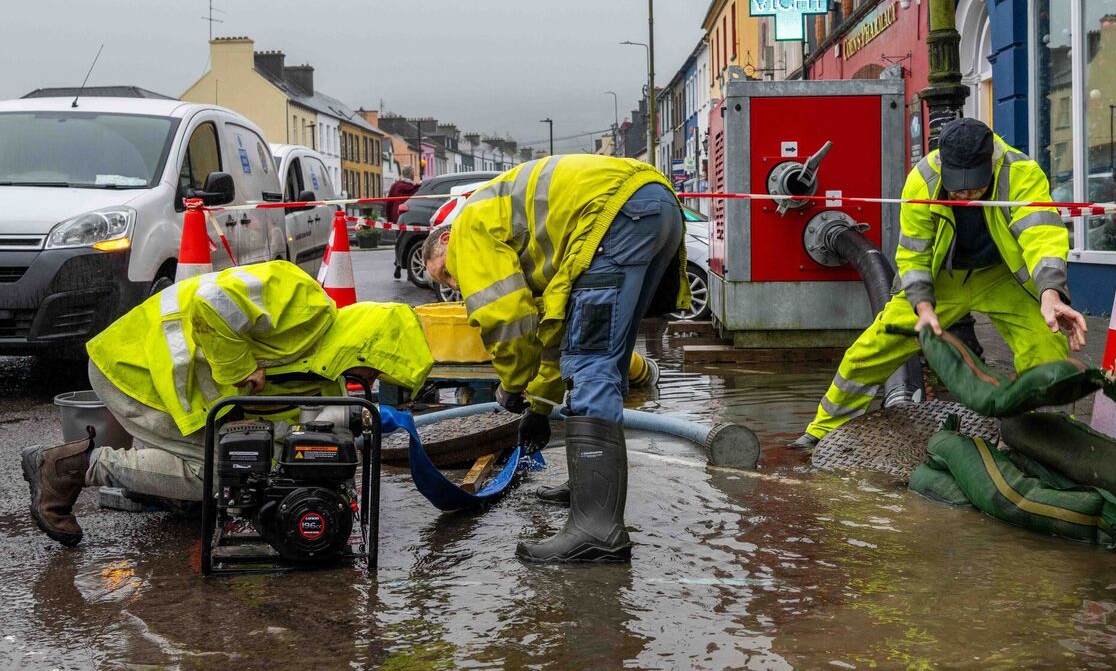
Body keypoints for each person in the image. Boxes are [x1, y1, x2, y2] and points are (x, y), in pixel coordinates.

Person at [20, 260, 433, 547]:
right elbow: (211, 302)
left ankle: (167, 490)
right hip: (136, 370)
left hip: (158, 376)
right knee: (217, 473)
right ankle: (67, 468)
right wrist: (238, 366)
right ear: (371, 349)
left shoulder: (318, 369)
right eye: (378, 373)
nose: (370, 383)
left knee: (246, 454)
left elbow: (281, 431)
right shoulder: (301, 300)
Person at [422, 154, 688, 563]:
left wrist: (512, 388)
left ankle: (596, 529)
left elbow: (509, 322)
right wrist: (541, 406)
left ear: (444, 240)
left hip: (615, 216)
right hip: (652, 206)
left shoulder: (468, 230)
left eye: (445, 275)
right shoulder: (513, 226)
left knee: (592, 363)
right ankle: (588, 494)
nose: (455, 285)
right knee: (605, 360)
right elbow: (554, 335)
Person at [790, 118, 1088, 457]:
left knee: (1045, 346)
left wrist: (1050, 294)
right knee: (872, 348)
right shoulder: (922, 180)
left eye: (974, 186)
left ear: (990, 162)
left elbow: (1042, 235)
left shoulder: (1022, 173)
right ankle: (822, 431)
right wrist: (923, 306)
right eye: (957, 187)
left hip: (1001, 276)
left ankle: (1044, 438)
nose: (965, 194)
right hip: (941, 280)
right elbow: (914, 254)